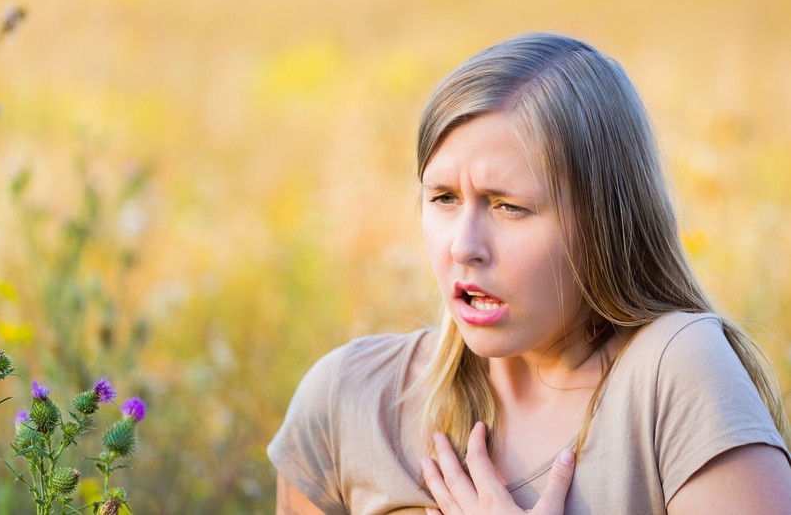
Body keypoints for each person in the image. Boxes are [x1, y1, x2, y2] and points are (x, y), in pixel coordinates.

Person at [267, 33, 791, 514]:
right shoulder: (350, 400)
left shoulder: (675, 374)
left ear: (604, 220)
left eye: (508, 206)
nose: (463, 246)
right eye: (444, 198)